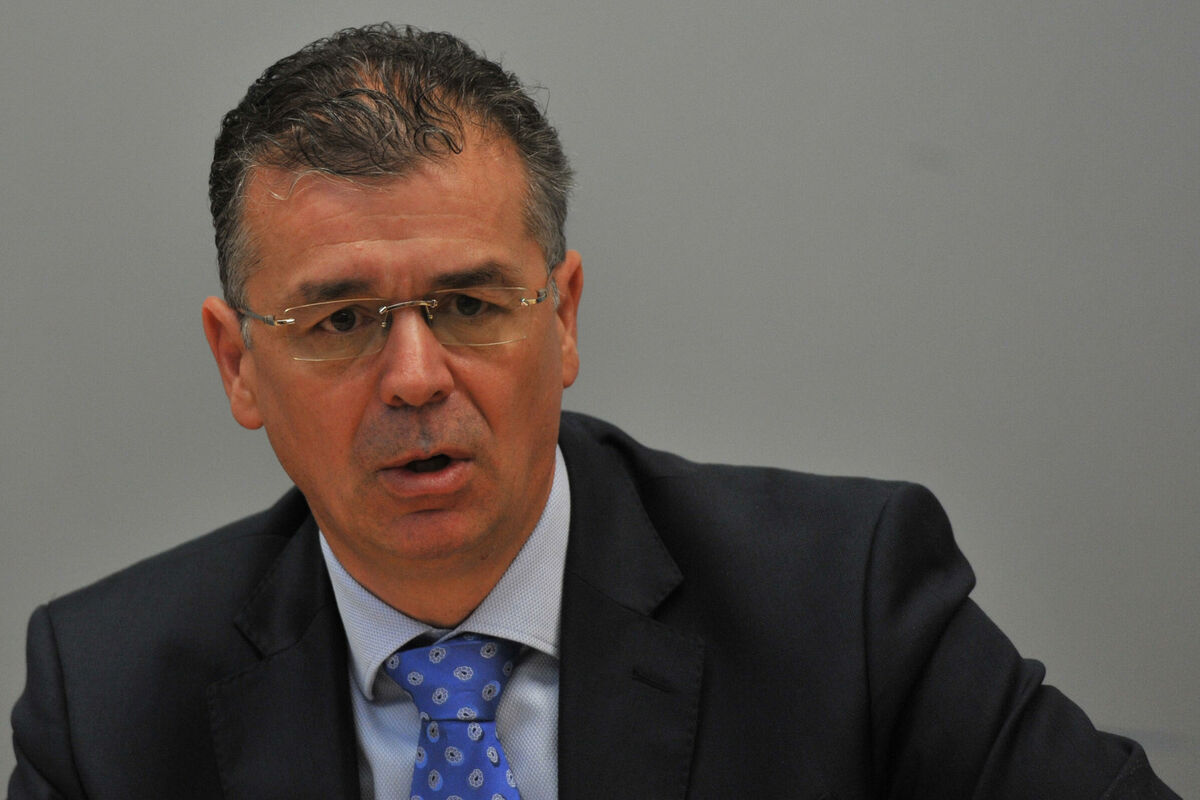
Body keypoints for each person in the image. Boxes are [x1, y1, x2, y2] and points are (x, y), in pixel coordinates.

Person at [7, 23, 1180, 800]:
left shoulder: (844, 605)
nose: (414, 376)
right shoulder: (106, 700)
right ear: (240, 363)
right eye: (342, 318)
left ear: (562, 319)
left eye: (470, 304)